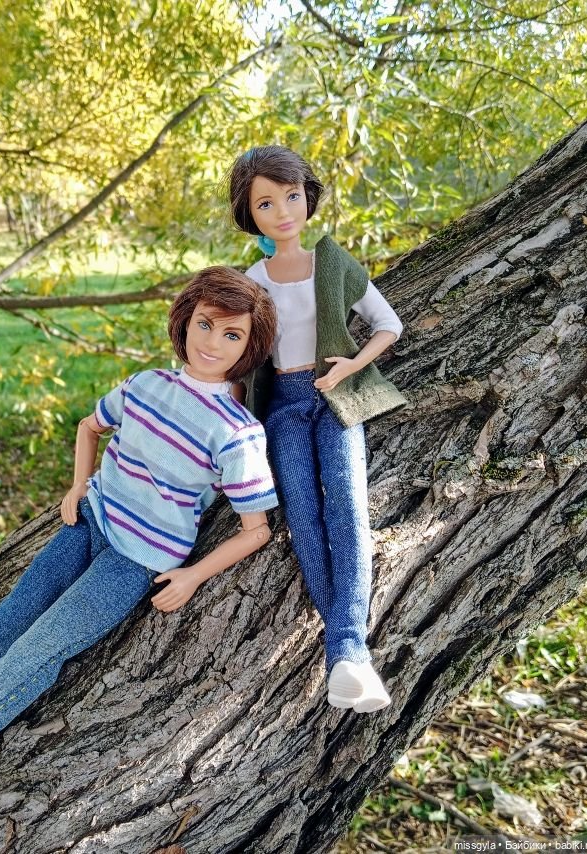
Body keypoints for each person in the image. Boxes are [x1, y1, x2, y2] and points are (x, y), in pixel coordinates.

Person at [0, 267, 279, 789]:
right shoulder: (146, 384)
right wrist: (78, 487)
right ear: (185, 320)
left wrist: (192, 576)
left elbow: (255, 530)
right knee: (5, 625)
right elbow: (90, 426)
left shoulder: (237, 434)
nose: (213, 342)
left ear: (249, 346)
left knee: (41, 649)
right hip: (89, 523)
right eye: (206, 324)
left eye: (232, 334)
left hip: (137, 560)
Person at [228, 145, 408, 713]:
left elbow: (388, 325)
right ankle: (349, 657)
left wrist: (351, 365)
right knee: (302, 514)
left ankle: (348, 652)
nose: (282, 211)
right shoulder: (250, 281)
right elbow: (241, 361)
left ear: (308, 198)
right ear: (249, 214)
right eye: (265, 203)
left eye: (291, 196)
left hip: (335, 395)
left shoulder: (331, 262)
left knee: (348, 505)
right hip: (281, 402)